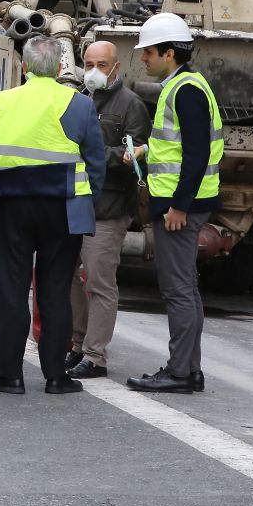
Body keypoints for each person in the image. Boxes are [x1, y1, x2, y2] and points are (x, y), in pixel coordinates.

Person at [0, 35, 106, 396]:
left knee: (10, 290)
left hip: (11, 208)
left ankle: (9, 375)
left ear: (23, 67)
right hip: (64, 210)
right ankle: (56, 376)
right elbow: (96, 165)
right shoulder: (80, 106)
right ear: (59, 69)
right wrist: (86, 201)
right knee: (54, 292)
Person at [125, 14, 220, 394]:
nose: (143, 59)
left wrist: (178, 206)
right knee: (187, 288)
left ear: (168, 52)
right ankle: (189, 369)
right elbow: (181, 148)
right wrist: (146, 152)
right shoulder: (184, 86)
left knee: (177, 290)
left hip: (182, 208)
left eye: (148, 52)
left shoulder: (186, 91)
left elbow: (197, 155)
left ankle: (180, 372)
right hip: (187, 203)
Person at [67, 40, 151, 380]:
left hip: (110, 206)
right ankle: (77, 345)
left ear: (116, 67)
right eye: (88, 64)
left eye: (101, 65)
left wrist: (96, 155)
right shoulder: (80, 99)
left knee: (99, 282)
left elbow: (137, 157)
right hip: (76, 203)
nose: (93, 71)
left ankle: (95, 356)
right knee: (71, 278)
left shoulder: (131, 105)